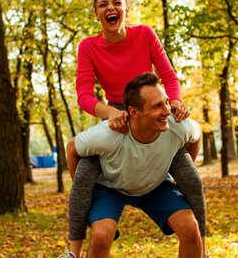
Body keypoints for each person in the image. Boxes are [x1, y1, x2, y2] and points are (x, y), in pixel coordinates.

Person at [67, 0, 207, 256]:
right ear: (96, 14)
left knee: (190, 175)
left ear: (126, 9)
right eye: (103, 5)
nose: (111, 8)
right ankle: (74, 249)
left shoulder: (144, 34)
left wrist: (174, 101)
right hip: (116, 115)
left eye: (117, 3)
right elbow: (83, 95)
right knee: (85, 173)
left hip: (153, 109)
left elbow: (168, 75)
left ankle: (203, 249)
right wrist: (111, 114)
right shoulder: (88, 46)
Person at [67, 73, 203, 258]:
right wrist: (85, 190)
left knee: (190, 229)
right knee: (100, 237)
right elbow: (72, 147)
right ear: (134, 112)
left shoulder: (177, 125)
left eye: (166, 101)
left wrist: (179, 170)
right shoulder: (108, 134)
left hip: (156, 187)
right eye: (157, 106)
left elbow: (196, 135)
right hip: (110, 189)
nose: (166, 110)